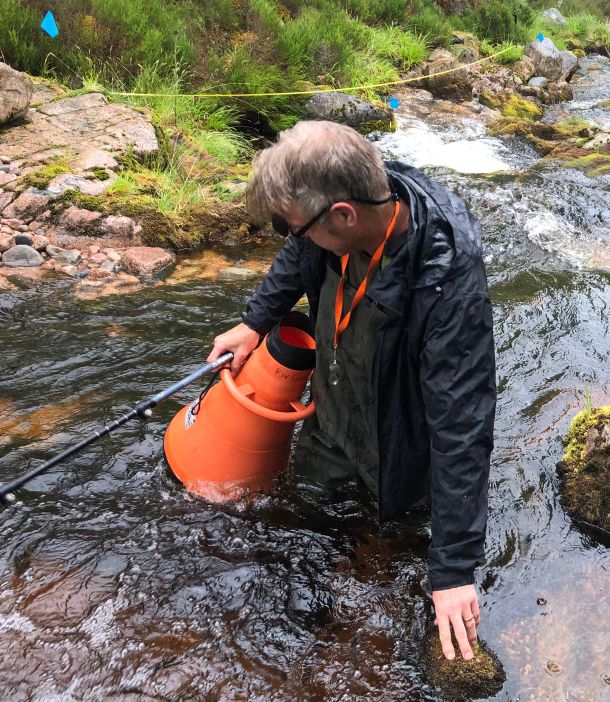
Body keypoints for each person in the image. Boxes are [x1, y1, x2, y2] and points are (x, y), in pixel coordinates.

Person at [207, 120, 496, 663]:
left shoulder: (448, 276)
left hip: (398, 440)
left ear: (343, 215)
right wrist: (256, 321)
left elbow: (462, 420)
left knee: (391, 552)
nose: (292, 239)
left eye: (294, 227)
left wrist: (454, 568)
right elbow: (300, 254)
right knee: (309, 526)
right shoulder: (355, 197)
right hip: (330, 409)